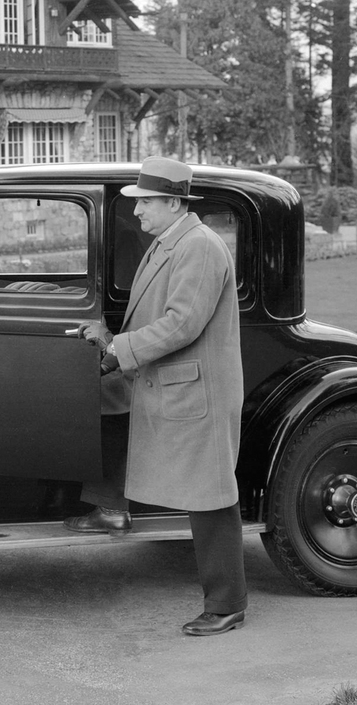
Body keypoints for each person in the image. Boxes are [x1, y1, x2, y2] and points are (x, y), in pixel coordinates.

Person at [67, 156, 248, 637]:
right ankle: (224, 600)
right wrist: (111, 339)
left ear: (172, 202)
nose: (138, 211)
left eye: (145, 202)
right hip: (181, 387)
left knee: (211, 497)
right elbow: (153, 315)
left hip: (197, 392)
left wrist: (117, 351)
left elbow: (182, 323)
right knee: (205, 494)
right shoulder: (171, 242)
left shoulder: (199, 248)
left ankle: (227, 604)